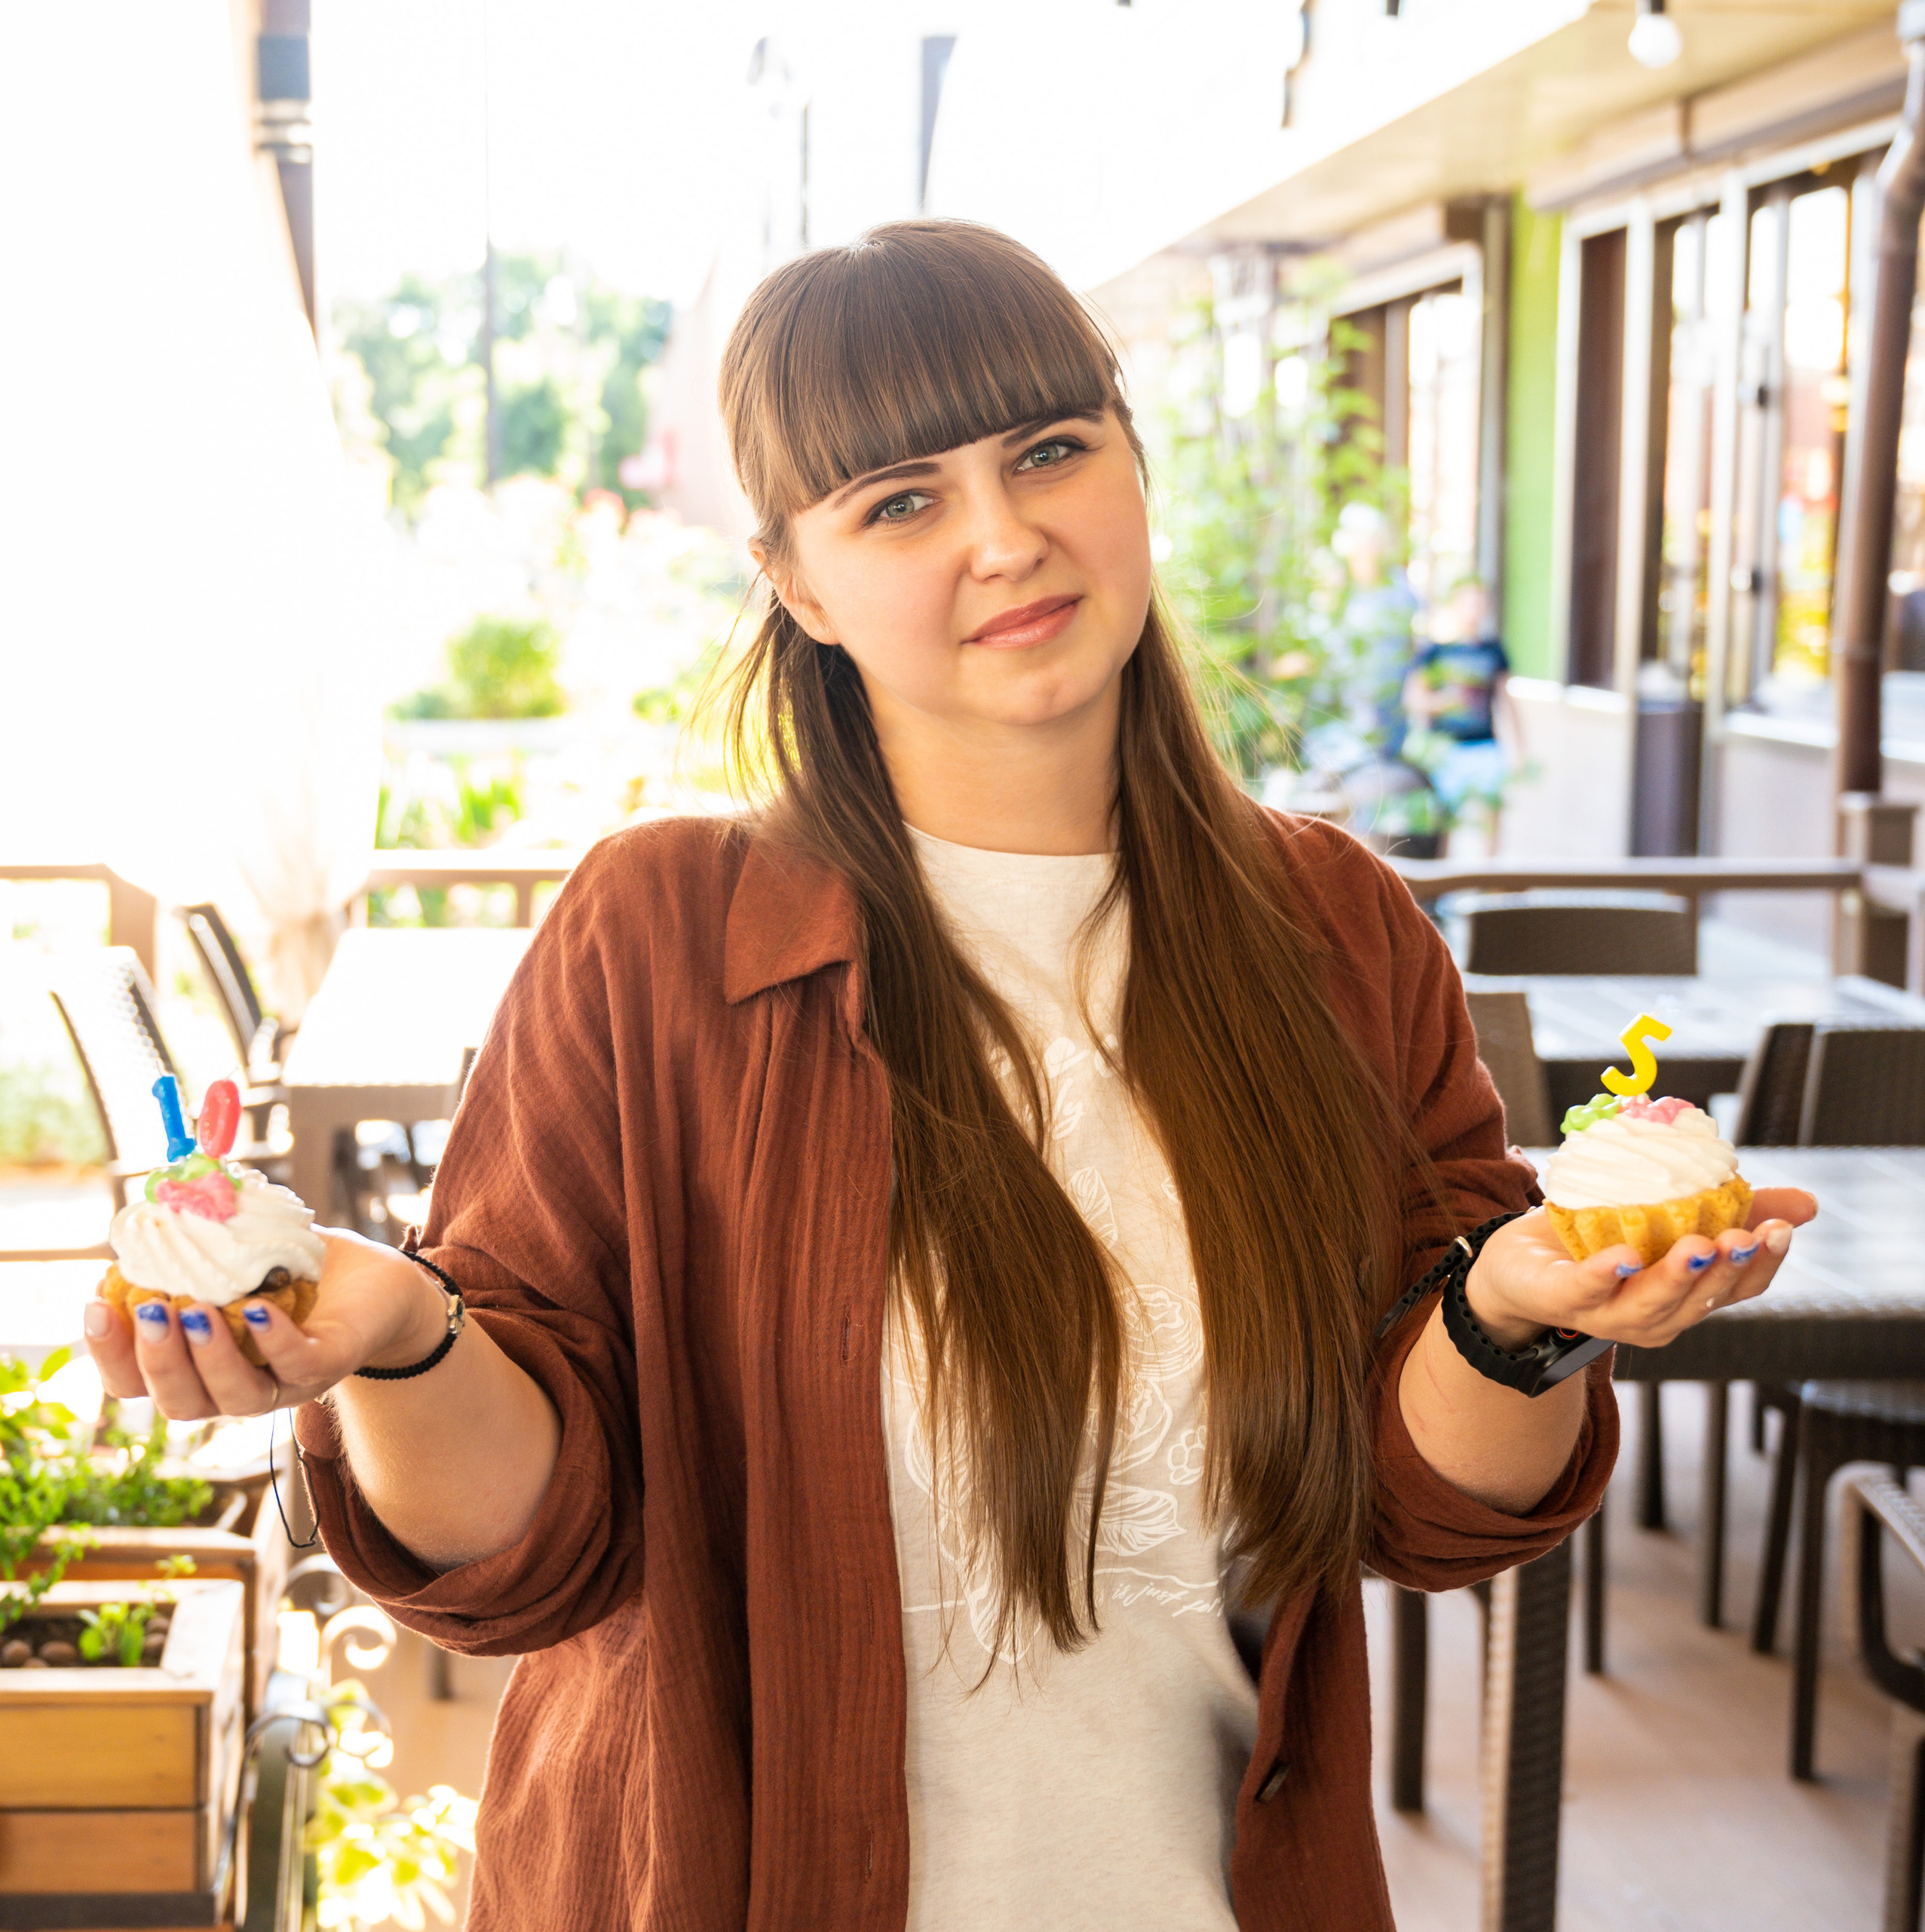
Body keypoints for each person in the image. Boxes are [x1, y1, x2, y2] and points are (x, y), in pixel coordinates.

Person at [85, 220, 1814, 1932]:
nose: (1003, 538)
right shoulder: (658, 934)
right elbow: (528, 1549)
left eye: (1049, 450)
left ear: (1131, 466)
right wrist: (397, 1336)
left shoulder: (1333, 928)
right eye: (897, 499)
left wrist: (1514, 1314)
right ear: (795, 580)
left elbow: (1420, 1502)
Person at [1401, 575, 1518, 850]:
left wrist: (1520, 749)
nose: (1474, 609)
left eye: (1479, 603)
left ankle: (1490, 886)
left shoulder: (1494, 650)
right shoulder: (1435, 652)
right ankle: (1442, 886)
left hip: (1485, 745)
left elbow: (1507, 702)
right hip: (1446, 749)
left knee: (1491, 819)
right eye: (1468, 602)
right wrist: (1447, 701)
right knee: (1443, 822)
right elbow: (1413, 699)